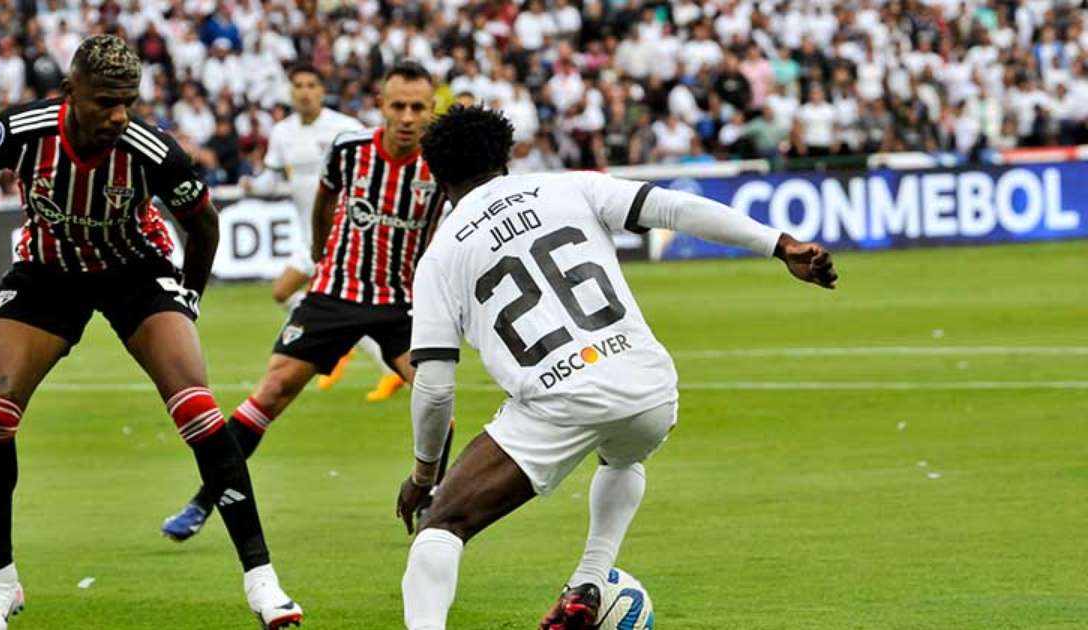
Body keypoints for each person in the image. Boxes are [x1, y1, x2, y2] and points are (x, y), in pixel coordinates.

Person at [0, 36, 302, 630]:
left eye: (127, 102)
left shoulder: (151, 149)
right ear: (70, 94)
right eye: (105, 102)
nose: (118, 115)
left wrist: (187, 297)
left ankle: (263, 582)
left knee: (199, 412)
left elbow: (204, 223)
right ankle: (0, 584)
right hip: (49, 273)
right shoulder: (20, 131)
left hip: (136, 270)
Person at [395, 106, 838, 630]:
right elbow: (674, 207)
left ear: (435, 175)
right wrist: (779, 244)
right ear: (507, 153)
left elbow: (435, 386)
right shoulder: (570, 187)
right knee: (624, 458)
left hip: (556, 399)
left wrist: (425, 474)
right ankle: (589, 579)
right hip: (649, 386)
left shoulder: (439, 257)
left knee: (442, 527)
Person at [161, 61, 455, 542]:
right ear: (380, 106)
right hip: (334, 294)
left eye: (417, 107)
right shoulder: (350, 150)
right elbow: (323, 201)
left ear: (430, 110)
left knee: (436, 400)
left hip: (402, 303)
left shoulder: (441, 163)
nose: (406, 116)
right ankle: (203, 500)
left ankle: (434, 500)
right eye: (397, 105)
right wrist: (321, 253)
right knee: (271, 391)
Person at [248, 64, 405, 402]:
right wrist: (252, 182)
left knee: (296, 292)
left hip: (344, 237)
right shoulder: (282, 133)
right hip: (310, 236)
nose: (305, 91)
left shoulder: (344, 129)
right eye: (299, 85)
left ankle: (352, 353)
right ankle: (352, 351)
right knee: (285, 293)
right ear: (290, 92)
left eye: (311, 85)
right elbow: (272, 178)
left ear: (322, 90)